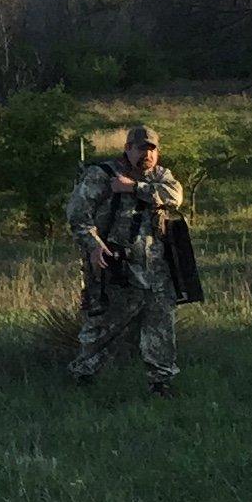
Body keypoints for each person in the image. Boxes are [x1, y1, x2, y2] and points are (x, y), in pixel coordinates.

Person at [67, 122, 184, 394]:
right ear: (128, 149)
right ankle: (84, 376)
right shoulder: (101, 175)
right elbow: (77, 216)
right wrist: (94, 246)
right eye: (142, 149)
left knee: (161, 325)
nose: (148, 155)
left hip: (156, 267)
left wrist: (134, 188)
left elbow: (175, 196)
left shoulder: (159, 175)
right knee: (104, 324)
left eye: (153, 150)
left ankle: (160, 383)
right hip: (115, 264)